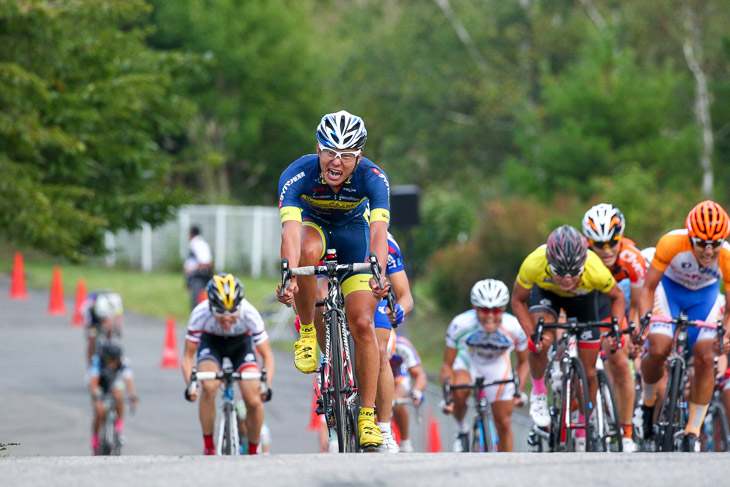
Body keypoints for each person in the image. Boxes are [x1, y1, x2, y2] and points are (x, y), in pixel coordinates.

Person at [276, 110, 391, 450]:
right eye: (329, 151)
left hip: (354, 233)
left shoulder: (374, 178)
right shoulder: (297, 175)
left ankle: (367, 417)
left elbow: (380, 232)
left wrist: (379, 273)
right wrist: (288, 272)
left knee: (362, 321)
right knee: (307, 250)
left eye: (345, 155)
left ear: (359, 156)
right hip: (314, 229)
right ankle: (308, 332)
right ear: (318, 148)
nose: (335, 162)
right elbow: (291, 232)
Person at [511, 225, 625, 450]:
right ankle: (539, 393)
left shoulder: (595, 269)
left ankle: (583, 425)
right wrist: (531, 335)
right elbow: (518, 300)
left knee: (590, 373)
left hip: (583, 301)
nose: (566, 279)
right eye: (559, 272)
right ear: (548, 262)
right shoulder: (533, 263)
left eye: (574, 272)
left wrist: (615, 329)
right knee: (541, 341)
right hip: (547, 295)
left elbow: (618, 297)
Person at [633, 200, 730, 452]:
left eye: (715, 245)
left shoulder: (727, 257)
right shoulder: (671, 243)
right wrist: (644, 320)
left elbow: (729, 309)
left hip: (704, 298)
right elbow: (648, 288)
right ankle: (647, 399)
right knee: (658, 348)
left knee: (707, 356)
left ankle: (692, 431)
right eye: (701, 244)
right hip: (670, 291)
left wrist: (726, 333)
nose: (708, 252)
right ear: (690, 237)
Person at [183, 273, 274, 455]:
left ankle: (253, 450)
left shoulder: (250, 313)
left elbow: (267, 356)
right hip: (212, 343)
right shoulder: (200, 314)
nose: (227, 318)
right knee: (209, 386)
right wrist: (191, 385)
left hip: (241, 345)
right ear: (210, 306)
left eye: (233, 312)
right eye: (220, 312)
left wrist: (266, 385)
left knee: (254, 400)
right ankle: (209, 446)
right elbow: (188, 356)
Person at [582, 203, 646, 452]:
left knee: (619, 359)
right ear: (589, 243)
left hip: (620, 300)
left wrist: (630, 333)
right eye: (599, 245)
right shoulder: (581, 258)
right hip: (588, 297)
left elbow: (638, 306)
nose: (607, 250)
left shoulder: (632, 258)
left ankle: (626, 432)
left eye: (612, 242)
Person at [441, 279, 529, 452]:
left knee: (503, 422)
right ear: (475, 308)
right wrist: (448, 396)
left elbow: (524, 362)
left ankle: (506, 466)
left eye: (495, 310)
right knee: (459, 390)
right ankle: (461, 428)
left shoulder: (515, 328)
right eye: (484, 310)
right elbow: (447, 365)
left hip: (497, 366)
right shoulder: (460, 324)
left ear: (503, 309)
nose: (490, 316)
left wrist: (519, 391)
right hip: (469, 362)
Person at [370, 232, 414, 452]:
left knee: (379, 352)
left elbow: (405, 296)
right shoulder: (331, 227)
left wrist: (399, 310)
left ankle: (385, 429)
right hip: (339, 294)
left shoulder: (387, 243)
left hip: (374, 301)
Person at [89, 340, 137, 455]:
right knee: (100, 412)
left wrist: (132, 396)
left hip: (114, 383)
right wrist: (96, 398)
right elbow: (94, 382)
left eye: (115, 360)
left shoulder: (124, 362)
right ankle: (95, 441)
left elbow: (128, 380)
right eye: (109, 360)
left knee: (119, 395)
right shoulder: (97, 361)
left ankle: (118, 430)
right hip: (101, 384)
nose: (113, 363)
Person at [389, 331, 427, 453]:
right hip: (377, 377)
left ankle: (405, 441)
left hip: (398, 377)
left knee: (395, 399)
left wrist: (417, 391)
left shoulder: (402, 345)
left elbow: (419, 374)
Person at [82, 290, 124, 365]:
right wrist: (90, 333)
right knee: (92, 338)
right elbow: (87, 324)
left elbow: (118, 318)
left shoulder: (115, 300)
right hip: (94, 319)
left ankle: (109, 349)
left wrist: (117, 329)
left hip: (108, 311)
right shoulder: (87, 305)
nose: (102, 320)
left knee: (110, 329)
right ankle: (90, 365)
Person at [183, 225, 213, 311]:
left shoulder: (197, 244)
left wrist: (192, 271)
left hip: (198, 277)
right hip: (196, 276)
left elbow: (205, 262)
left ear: (192, 234)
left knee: (196, 303)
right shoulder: (200, 243)